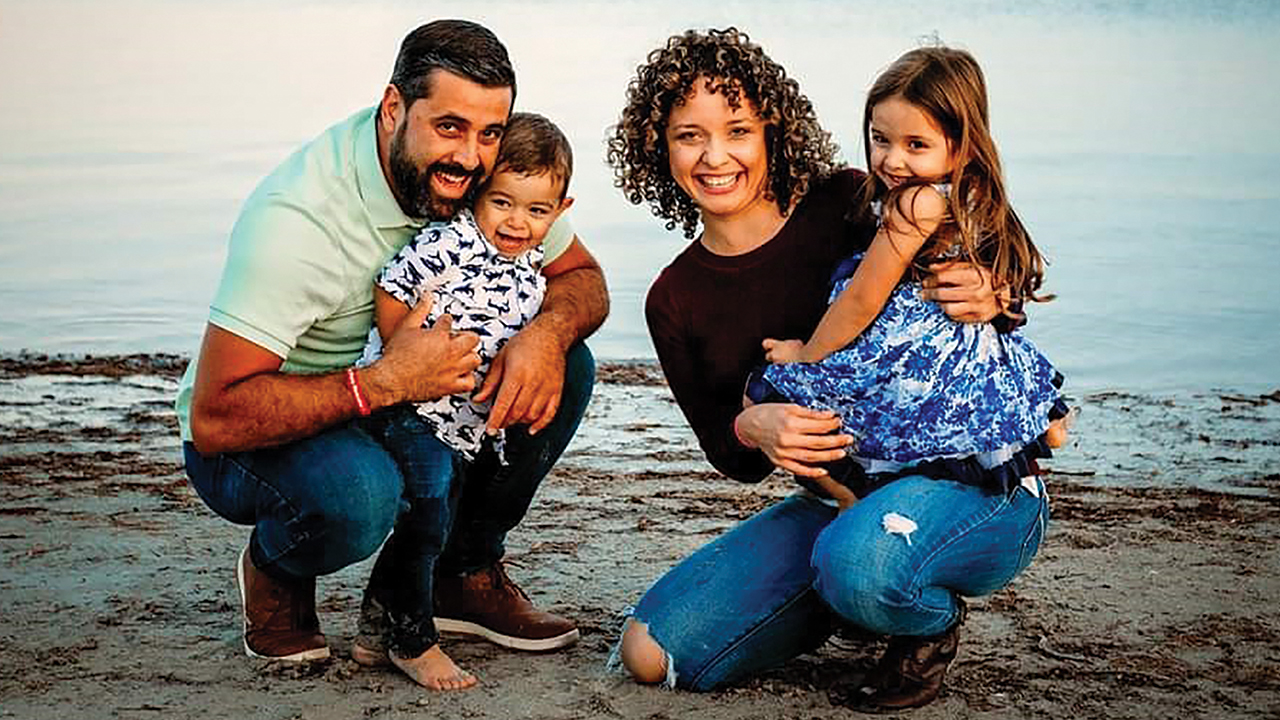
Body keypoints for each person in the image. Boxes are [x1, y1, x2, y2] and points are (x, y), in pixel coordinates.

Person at [606, 29, 1050, 712]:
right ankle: (855, 591)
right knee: (649, 654)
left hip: (967, 479)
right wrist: (754, 423)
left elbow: (966, 283)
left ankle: (919, 616)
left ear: (773, 132)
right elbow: (736, 459)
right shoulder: (675, 298)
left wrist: (996, 294)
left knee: (860, 564)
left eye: (738, 130)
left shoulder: (851, 200)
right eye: (689, 135)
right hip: (839, 494)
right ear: (656, 148)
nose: (715, 156)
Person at [174, 18, 608, 679]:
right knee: (358, 496)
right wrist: (383, 383)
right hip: (265, 430)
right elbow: (214, 418)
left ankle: (459, 573)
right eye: (450, 127)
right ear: (393, 109)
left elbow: (582, 279)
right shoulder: (298, 220)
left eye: (488, 132)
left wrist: (543, 336)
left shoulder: (484, 184)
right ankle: (275, 566)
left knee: (565, 367)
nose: (469, 155)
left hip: (402, 403)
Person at [748, 45, 1069, 504]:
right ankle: (1046, 424)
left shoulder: (914, 202)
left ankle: (845, 495)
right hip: (963, 354)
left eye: (915, 145)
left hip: (909, 354)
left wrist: (807, 353)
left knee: (768, 390)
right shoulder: (973, 194)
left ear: (962, 146)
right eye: (881, 139)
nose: (893, 161)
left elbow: (863, 299)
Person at [352, 112, 576, 690]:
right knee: (427, 511)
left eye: (536, 211)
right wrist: (403, 353)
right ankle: (414, 641)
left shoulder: (530, 264)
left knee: (435, 515)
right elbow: (391, 285)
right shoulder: (450, 242)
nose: (517, 222)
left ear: (561, 210)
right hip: (412, 408)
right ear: (480, 191)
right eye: (503, 202)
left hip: (462, 423)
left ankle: (373, 634)